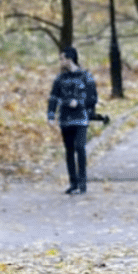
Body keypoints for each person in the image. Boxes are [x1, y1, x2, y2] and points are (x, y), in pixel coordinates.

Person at [46, 46, 98, 195]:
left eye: (62, 58)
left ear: (70, 59)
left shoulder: (85, 76)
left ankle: (82, 182)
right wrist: (51, 115)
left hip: (81, 119)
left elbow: (93, 97)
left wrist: (79, 103)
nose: (60, 61)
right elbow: (53, 97)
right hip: (65, 120)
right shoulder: (60, 78)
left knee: (80, 148)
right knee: (69, 151)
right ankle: (73, 183)